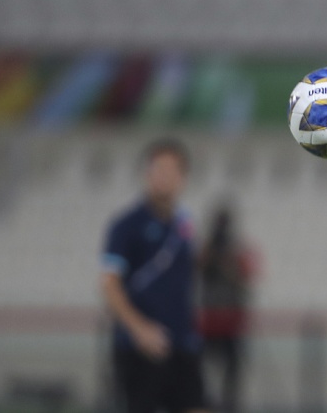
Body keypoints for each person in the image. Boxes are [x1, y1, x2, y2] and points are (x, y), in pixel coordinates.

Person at [100, 138, 208, 413]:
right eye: (158, 169)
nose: (164, 177)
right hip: (140, 347)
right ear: (146, 174)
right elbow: (109, 284)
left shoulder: (184, 224)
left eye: (172, 170)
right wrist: (138, 328)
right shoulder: (126, 226)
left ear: (183, 177)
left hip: (182, 342)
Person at [198, 200, 259, 413]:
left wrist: (227, 260)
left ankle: (230, 406)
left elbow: (247, 277)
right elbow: (195, 269)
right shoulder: (206, 249)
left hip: (232, 323)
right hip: (208, 322)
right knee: (200, 370)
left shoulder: (238, 250)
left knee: (232, 373)